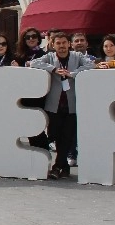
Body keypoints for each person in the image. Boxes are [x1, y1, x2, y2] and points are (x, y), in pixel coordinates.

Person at [30, 32, 94, 179]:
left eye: (64, 43)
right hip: (54, 104)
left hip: (71, 104)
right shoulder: (50, 57)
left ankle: (58, 166)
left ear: (69, 44)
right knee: (56, 135)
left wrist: (74, 73)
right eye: (58, 43)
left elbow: (91, 64)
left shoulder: (77, 57)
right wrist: (53, 69)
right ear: (53, 45)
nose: (62, 46)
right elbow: (34, 63)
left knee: (67, 136)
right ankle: (63, 167)